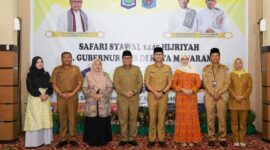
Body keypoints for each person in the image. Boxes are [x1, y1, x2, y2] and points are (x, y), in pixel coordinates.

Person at [50, 52, 83, 148]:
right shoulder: (57, 69)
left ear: (72, 58)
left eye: (69, 57)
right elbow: (53, 84)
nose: (67, 59)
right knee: (62, 118)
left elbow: (80, 83)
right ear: (62, 59)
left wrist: (72, 93)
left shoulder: (76, 69)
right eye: (65, 57)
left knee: (72, 118)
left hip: (73, 96)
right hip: (61, 97)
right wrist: (61, 93)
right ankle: (63, 139)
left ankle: (73, 139)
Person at [113, 50, 143, 146]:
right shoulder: (118, 70)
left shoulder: (137, 69)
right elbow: (116, 84)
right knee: (123, 119)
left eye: (129, 58)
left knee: (133, 119)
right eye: (125, 58)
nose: (127, 59)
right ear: (122, 59)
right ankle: (124, 138)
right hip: (122, 98)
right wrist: (124, 92)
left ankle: (132, 138)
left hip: (134, 98)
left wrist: (133, 92)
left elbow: (140, 83)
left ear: (131, 59)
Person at [144, 47, 172, 148]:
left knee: (161, 118)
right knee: (152, 118)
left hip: (163, 96)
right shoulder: (149, 68)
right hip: (152, 95)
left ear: (163, 56)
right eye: (157, 54)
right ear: (153, 56)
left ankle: (161, 139)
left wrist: (163, 92)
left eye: (160, 54)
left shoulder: (167, 68)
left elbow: (170, 82)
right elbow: (146, 82)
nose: (159, 56)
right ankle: (151, 139)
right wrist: (155, 92)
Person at [172, 54, 202, 147]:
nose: (185, 60)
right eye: (183, 59)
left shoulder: (194, 70)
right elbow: (173, 84)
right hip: (181, 97)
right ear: (180, 60)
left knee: (191, 118)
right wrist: (182, 89)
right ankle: (182, 139)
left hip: (191, 97)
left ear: (189, 59)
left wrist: (192, 90)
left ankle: (191, 139)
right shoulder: (177, 71)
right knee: (182, 118)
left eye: (186, 59)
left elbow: (199, 83)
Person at [202, 48, 230, 147]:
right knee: (210, 118)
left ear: (219, 57)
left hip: (221, 96)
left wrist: (219, 92)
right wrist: (212, 93)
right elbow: (205, 82)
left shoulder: (225, 68)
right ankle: (211, 138)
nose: (215, 57)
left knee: (222, 118)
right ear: (210, 57)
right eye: (213, 55)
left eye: (217, 55)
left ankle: (222, 138)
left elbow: (227, 82)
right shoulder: (205, 68)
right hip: (210, 97)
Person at [82, 58, 113, 146]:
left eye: (100, 64)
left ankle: (103, 140)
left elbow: (110, 87)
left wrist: (101, 95)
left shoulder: (105, 75)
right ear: (92, 65)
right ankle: (92, 140)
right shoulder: (87, 75)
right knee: (93, 122)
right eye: (96, 64)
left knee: (103, 121)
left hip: (103, 102)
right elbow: (84, 88)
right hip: (91, 102)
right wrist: (93, 95)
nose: (98, 66)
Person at [24, 56, 53, 147]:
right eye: (37, 62)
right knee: (35, 119)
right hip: (35, 98)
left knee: (44, 119)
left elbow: (51, 87)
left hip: (45, 98)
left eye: (41, 62)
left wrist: (47, 94)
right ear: (34, 63)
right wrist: (39, 95)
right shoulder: (30, 74)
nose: (40, 64)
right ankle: (34, 142)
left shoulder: (46, 74)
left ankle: (45, 140)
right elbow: (30, 87)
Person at [228, 58, 252, 147]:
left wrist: (243, 96)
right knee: (234, 123)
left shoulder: (247, 75)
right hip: (233, 103)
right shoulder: (231, 75)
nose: (238, 65)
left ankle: (242, 140)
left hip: (244, 103)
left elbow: (250, 87)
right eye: (237, 63)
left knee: (243, 124)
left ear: (242, 64)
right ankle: (236, 140)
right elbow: (229, 87)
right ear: (234, 65)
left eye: (240, 63)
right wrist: (235, 96)